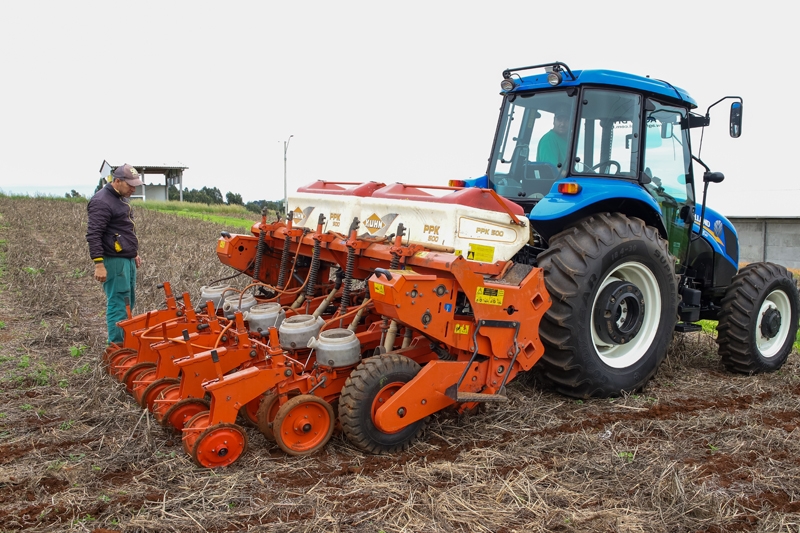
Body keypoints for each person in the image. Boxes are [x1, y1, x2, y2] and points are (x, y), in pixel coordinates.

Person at [86, 164, 143, 348]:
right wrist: (99, 264)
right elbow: (94, 234)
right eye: (130, 185)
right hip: (114, 261)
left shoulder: (119, 198)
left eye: (135, 185)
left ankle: (124, 342)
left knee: (128, 302)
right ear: (117, 181)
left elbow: (122, 231)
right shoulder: (102, 201)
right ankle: (117, 348)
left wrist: (133, 254)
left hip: (126, 260)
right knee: (119, 302)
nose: (133, 189)